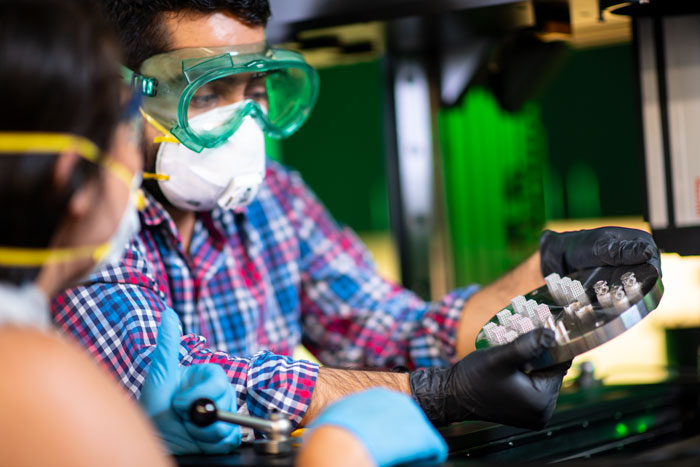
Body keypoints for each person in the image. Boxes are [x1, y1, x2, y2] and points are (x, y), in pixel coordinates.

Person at [52, 0, 661, 432]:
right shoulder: (79, 215)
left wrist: (539, 278)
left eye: (254, 88)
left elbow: (396, 330)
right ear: (120, 91)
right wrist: (441, 395)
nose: (243, 126)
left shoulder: (275, 202)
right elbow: (182, 383)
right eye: (207, 94)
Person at [0, 0, 240, 460]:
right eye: (127, 130)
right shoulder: (41, 378)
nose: (134, 162)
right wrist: (338, 449)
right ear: (71, 178)